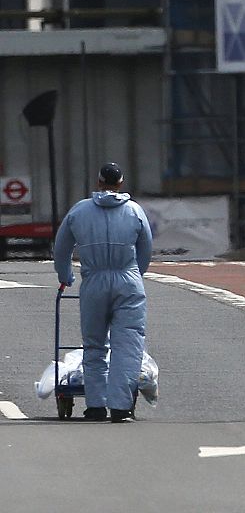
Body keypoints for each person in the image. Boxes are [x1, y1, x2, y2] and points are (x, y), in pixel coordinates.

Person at [54, 163, 152, 423]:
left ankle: (95, 405)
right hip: (127, 280)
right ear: (121, 183)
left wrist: (66, 276)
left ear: (98, 182)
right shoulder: (134, 211)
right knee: (127, 345)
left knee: (95, 344)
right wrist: (134, 276)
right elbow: (146, 250)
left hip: (94, 281)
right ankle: (121, 407)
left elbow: (61, 249)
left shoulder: (80, 210)